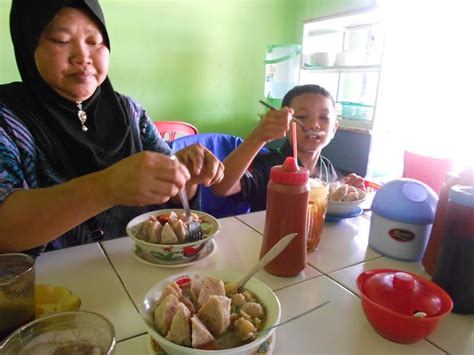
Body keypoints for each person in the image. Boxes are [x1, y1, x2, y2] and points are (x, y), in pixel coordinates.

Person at [0, 0, 224, 254]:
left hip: (140, 269)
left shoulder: (129, 111)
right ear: (28, 46)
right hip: (52, 286)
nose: (82, 57)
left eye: (95, 42)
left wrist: (186, 175)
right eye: (61, 41)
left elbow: (174, 196)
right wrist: (107, 187)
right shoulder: (9, 117)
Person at [212, 84, 365, 211]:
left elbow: (331, 202)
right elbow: (221, 187)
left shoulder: (327, 168)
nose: (314, 124)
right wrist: (257, 137)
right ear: (285, 123)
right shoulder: (272, 165)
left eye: (324, 117)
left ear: (334, 129)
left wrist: (346, 187)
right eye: (302, 117)